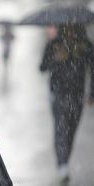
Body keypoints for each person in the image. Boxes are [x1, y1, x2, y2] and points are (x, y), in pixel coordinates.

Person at [40, 24, 94, 185]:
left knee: (71, 130)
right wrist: (55, 59)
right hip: (58, 94)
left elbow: (93, 69)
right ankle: (62, 166)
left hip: (77, 96)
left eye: (74, 27)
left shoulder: (85, 45)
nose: (70, 30)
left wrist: (91, 93)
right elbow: (42, 67)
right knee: (61, 128)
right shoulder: (54, 44)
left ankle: (64, 162)